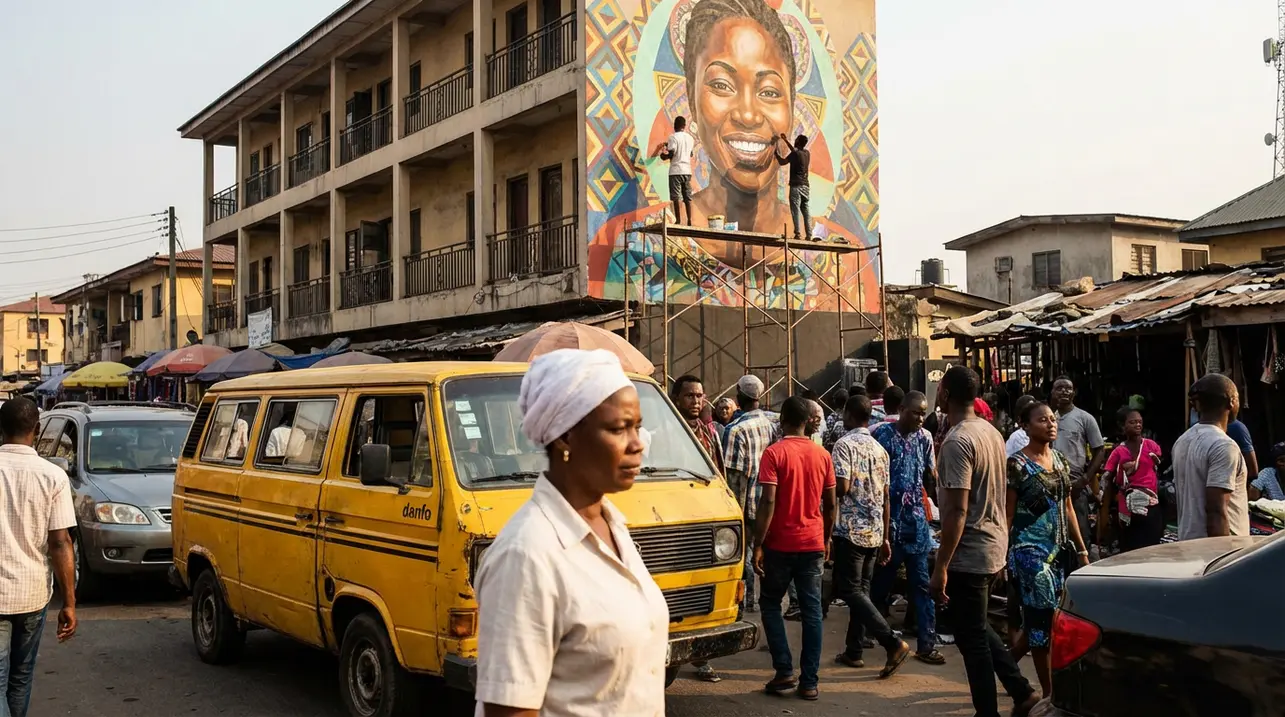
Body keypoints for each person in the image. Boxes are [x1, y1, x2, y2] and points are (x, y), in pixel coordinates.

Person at [473, 349, 667, 717]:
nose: (637, 443)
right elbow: (510, 709)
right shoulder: (527, 555)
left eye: (638, 426)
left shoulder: (613, 527)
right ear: (565, 438)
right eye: (618, 428)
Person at [931, 366, 1038, 717]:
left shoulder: (958, 440)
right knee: (974, 626)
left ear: (945, 394)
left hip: (971, 550)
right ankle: (1021, 690)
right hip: (992, 544)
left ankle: (988, 711)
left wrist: (941, 565)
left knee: (972, 638)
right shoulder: (990, 432)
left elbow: (957, 511)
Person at [752, 397, 837, 701]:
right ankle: (809, 681)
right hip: (813, 542)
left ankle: (784, 670)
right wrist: (827, 538)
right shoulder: (822, 455)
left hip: (780, 543)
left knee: (771, 603)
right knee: (812, 612)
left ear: (783, 419)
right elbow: (830, 504)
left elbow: (768, 501)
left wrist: (757, 542)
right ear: (807, 422)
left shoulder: (774, 454)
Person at [1006, 401, 1090, 699]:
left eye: (1053, 419)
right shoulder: (1016, 464)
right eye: (1043, 420)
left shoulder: (1060, 459)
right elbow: (1008, 513)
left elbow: (1067, 507)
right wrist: (1004, 554)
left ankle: (1005, 666)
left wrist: (1081, 550)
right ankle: (1048, 694)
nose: (1051, 424)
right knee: (1042, 627)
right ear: (1025, 426)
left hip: (1059, 553)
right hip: (1030, 555)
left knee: (1044, 621)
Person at [0, 397, 78, 717]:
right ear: (37, 429)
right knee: (20, 677)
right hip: (33, 594)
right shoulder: (53, 476)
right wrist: (69, 602)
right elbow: (60, 543)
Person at [829, 394, 913, 674]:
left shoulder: (843, 445)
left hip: (851, 530)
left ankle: (891, 641)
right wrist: (886, 535)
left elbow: (840, 488)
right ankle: (854, 650)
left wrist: (822, 490)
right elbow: (886, 497)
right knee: (861, 592)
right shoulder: (880, 450)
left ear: (850, 416)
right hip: (875, 530)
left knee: (850, 590)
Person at [871, 391, 946, 666]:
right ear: (901, 409)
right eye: (915, 412)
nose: (919, 418)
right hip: (890, 523)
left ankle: (927, 645)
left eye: (923, 413)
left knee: (922, 586)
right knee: (881, 584)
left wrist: (939, 509)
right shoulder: (881, 436)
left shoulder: (925, 438)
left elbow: (931, 475)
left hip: (917, 523)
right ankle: (876, 635)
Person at [669, 375, 723, 683]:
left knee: (702, 588)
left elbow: (718, 473)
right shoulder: (664, 431)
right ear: (677, 398)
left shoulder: (708, 433)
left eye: (700, 395)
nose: (696, 401)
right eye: (690, 395)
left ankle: (702, 658)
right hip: (674, 519)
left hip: (704, 519)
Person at [723, 374, 779, 612]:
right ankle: (765, 600)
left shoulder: (735, 430)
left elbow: (736, 479)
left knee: (744, 555)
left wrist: (735, 511)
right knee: (764, 552)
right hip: (769, 502)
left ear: (739, 396)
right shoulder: (771, 425)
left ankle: (745, 602)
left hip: (748, 504)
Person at [1173, 374, 1249, 540]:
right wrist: (1222, 559)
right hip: (1220, 552)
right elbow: (1216, 510)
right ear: (1231, 401)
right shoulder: (1224, 446)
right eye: (1237, 397)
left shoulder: (1182, 441)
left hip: (1188, 545)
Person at [1049, 377, 1106, 547]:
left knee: (1080, 533)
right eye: (1059, 388)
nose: (1064, 391)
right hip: (1051, 482)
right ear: (1052, 393)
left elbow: (1099, 450)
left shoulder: (1084, 418)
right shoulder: (1049, 418)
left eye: (1068, 388)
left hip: (1076, 483)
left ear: (1074, 393)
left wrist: (1086, 479)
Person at [1101, 409, 1164, 551]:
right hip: (1127, 509)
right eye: (1132, 422)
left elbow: (1158, 463)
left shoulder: (1150, 446)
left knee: (1151, 549)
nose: (1137, 425)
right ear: (1122, 426)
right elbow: (1107, 477)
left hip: (1150, 505)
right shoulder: (1118, 451)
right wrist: (1103, 503)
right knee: (1130, 549)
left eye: (1139, 422)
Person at [652, 115, 697, 225]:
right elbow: (690, 153)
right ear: (684, 126)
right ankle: (689, 220)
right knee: (687, 196)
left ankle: (678, 220)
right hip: (687, 171)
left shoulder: (673, 137)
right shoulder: (690, 139)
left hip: (676, 171)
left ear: (674, 126)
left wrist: (663, 154)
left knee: (676, 197)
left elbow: (672, 153)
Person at [773, 133, 813, 241]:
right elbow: (795, 151)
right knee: (806, 211)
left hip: (796, 186)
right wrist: (786, 140)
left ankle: (798, 234)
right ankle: (809, 234)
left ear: (798, 142)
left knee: (795, 210)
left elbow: (783, 162)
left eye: (796, 140)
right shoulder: (807, 153)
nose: (794, 141)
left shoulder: (795, 154)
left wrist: (776, 155)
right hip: (806, 187)